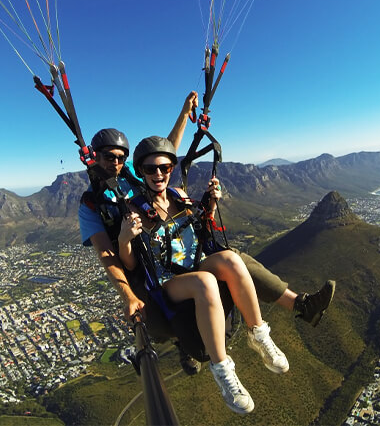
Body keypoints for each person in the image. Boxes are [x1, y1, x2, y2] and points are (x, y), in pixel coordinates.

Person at [78, 92, 334, 368]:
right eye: (109, 157)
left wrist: (184, 113)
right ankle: (188, 345)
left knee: (234, 259)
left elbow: (167, 152)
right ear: (95, 157)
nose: (115, 163)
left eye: (120, 157)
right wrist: (128, 294)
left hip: (168, 247)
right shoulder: (91, 204)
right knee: (192, 283)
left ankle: (299, 306)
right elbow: (107, 255)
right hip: (141, 265)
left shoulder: (134, 174)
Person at [116, 136, 288, 413]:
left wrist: (210, 205)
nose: (158, 173)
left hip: (196, 265)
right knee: (206, 281)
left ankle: (259, 334)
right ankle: (222, 370)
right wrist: (125, 238)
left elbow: (199, 232)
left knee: (232, 260)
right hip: (167, 281)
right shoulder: (135, 210)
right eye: (150, 169)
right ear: (141, 172)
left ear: (171, 167)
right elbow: (131, 263)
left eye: (164, 166)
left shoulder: (179, 197)